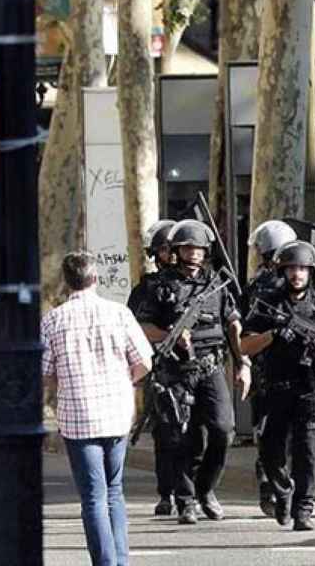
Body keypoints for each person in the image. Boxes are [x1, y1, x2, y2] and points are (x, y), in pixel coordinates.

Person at [134, 219, 251, 525]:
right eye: (187, 247)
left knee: (223, 430)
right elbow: (141, 328)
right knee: (177, 436)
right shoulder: (158, 286)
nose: (194, 253)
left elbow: (233, 325)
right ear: (176, 250)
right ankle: (185, 500)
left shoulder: (217, 283)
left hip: (211, 366)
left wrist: (243, 363)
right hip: (175, 369)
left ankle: (207, 489)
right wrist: (169, 332)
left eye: (198, 248)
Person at [41, 251, 153, 566]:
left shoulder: (52, 320)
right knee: (114, 490)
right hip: (117, 414)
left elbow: (45, 372)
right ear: (96, 278)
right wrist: (124, 380)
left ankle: (105, 563)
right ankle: (121, 559)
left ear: (66, 282)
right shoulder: (119, 314)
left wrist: (65, 384)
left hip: (78, 416)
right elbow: (144, 361)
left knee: (93, 496)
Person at [241, 241, 315, 531]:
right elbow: (245, 345)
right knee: (271, 451)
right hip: (276, 388)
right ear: (282, 270)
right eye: (291, 268)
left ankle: (303, 508)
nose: (297, 274)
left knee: (308, 453)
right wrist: (274, 335)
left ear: (311, 271)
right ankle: (282, 491)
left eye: (302, 269)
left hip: (311, 388)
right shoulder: (268, 303)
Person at [243, 220, 298, 517]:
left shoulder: (259, 283)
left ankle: (273, 483)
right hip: (275, 367)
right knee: (280, 433)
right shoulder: (272, 283)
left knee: (270, 431)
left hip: (269, 369)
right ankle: (275, 484)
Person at [127, 219, 177, 516]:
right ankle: (168, 492)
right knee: (167, 431)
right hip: (163, 367)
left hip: (200, 365)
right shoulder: (147, 288)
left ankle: (199, 489)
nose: (171, 255)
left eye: (176, 248)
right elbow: (137, 328)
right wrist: (170, 335)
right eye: (165, 249)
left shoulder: (202, 283)